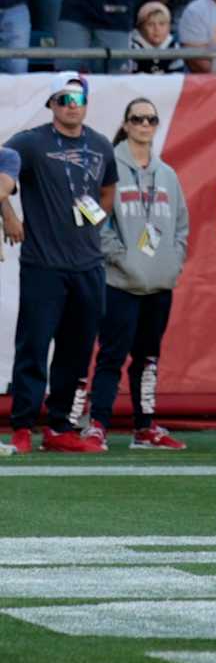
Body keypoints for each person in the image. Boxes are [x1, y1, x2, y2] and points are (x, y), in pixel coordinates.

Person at [3, 74, 118, 453]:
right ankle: (22, 426)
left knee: (77, 350)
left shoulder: (100, 144)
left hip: (88, 264)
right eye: (64, 99)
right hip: (43, 265)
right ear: (51, 103)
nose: (72, 105)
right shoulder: (30, 142)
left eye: (78, 98)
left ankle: (58, 427)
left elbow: (108, 189)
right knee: (34, 346)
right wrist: (8, 214)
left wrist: (95, 221)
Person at [91, 97, 189, 451]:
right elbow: (95, 217)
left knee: (148, 360)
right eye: (138, 119)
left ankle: (144, 428)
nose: (145, 125)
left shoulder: (168, 175)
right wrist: (119, 257)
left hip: (159, 284)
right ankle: (98, 425)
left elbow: (181, 225)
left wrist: (173, 261)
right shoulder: (108, 167)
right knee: (111, 357)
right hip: (119, 282)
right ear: (126, 124)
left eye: (151, 119)